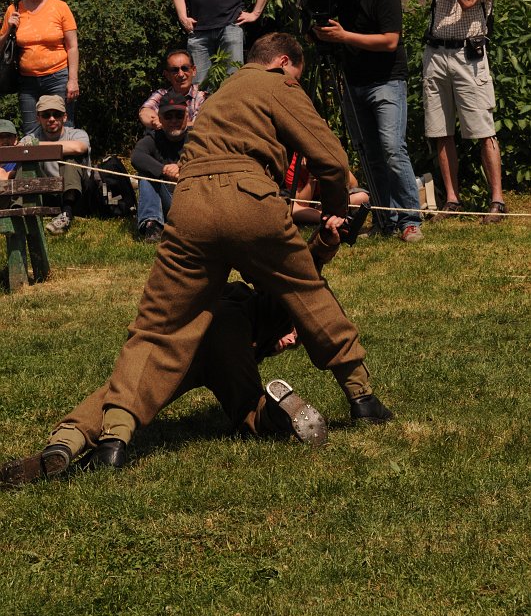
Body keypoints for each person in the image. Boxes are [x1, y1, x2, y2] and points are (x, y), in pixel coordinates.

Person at [18, 32, 393, 474]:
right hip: (250, 198)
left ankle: (114, 438)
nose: (296, 81)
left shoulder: (217, 98)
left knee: (157, 328)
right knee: (307, 293)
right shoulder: (277, 84)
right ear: (284, 63)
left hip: (191, 203)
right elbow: (330, 159)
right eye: (298, 74)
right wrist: (335, 208)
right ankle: (362, 397)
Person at [0, 228, 338, 486]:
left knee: (125, 391)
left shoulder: (261, 320)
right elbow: (301, 274)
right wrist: (320, 248)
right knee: (249, 410)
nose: (292, 339)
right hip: (224, 331)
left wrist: (264, 345)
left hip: (186, 338)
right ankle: (280, 410)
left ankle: (64, 444)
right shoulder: (273, 305)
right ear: (298, 315)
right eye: (297, 331)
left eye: (296, 342)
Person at [391, 0, 505, 223]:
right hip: (436, 53)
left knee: (483, 130)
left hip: (469, 54)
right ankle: (452, 200)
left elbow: (468, 1)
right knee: (441, 131)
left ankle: (497, 201)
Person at [313, 0, 423, 242]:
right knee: (370, 155)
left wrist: (344, 36)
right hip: (353, 81)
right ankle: (384, 220)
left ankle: (410, 219)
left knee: (392, 149)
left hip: (387, 79)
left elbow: (390, 41)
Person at [0, 0, 80, 135]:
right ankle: (35, 164)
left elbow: (72, 46)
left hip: (58, 77)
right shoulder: (14, 10)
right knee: (31, 133)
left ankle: (65, 164)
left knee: (63, 130)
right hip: (27, 82)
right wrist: (8, 30)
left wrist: (73, 79)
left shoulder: (60, 7)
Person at [20, 95, 91, 234]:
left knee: (70, 159)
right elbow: (20, 149)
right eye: (46, 115)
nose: (51, 119)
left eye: (56, 114)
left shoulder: (77, 134)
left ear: (64, 117)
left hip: (78, 193)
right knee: (26, 162)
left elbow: (78, 148)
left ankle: (66, 214)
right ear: (38, 118)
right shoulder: (30, 138)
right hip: (47, 192)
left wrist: (36, 147)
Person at [132, 91, 189, 243]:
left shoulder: (197, 139)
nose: (174, 120)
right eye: (168, 116)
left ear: (187, 116)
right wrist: (163, 169)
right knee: (145, 173)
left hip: (191, 203)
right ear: (160, 119)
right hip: (167, 201)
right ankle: (152, 225)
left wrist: (180, 167)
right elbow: (137, 156)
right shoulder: (154, 138)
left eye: (179, 115)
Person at [285, 152, 369, 226]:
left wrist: (338, 165)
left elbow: (353, 185)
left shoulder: (328, 157)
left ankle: (326, 215)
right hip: (305, 206)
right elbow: (303, 203)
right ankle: (325, 217)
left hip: (326, 203)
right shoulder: (293, 166)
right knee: (291, 209)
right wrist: (311, 177)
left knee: (362, 197)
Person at [138, 50, 208, 131]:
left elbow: (201, 124)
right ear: (167, 75)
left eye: (185, 68)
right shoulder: (162, 94)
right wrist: (154, 122)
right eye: (175, 70)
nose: (181, 74)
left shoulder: (203, 97)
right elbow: (145, 111)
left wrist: (166, 125)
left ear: (194, 70)